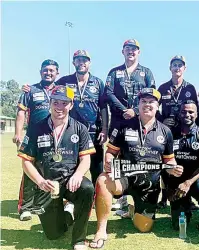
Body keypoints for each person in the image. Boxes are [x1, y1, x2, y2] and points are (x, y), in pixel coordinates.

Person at [90, 88, 183, 249]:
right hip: (124, 178)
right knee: (103, 179)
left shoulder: (165, 132)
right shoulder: (123, 126)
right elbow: (111, 152)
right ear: (138, 105)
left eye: (151, 101)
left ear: (157, 105)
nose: (147, 104)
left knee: (144, 227)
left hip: (149, 185)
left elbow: (169, 161)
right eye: (143, 101)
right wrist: (108, 161)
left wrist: (173, 168)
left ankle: (133, 211)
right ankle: (101, 230)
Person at [17, 85, 96, 250]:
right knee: (54, 234)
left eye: (64, 103)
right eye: (56, 103)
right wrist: (40, 181)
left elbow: (85, 159)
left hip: (70, 181)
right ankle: (66, 214)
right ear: (50, 103)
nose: (60, 107)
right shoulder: (36, 127)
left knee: (87, 188)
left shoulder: (80, 128)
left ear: (71, 105)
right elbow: (26, 162)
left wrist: (78, 175)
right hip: (47, 183)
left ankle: (79, 238)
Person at [104, 39, 156, 211]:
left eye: (134, 49)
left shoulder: (146, 72)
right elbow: (109, 93)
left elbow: (152, 95)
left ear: (139, 52)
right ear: (123, 51)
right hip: (118, 120)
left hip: (138, 120)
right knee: (116, 157)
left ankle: (138, 195)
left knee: (134, 155)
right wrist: (124, 109)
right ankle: (120, 198)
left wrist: (134, 110)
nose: (131, 52)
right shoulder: (114, 72)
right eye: (128, 49)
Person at [14, 59, 59, 221]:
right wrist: (18, 133)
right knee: (29, 170)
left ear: (57, 73)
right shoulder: (30, 90)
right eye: (45, 70)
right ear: (40, 72)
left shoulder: (61, 90)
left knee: (47, 168)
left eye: (52, 70)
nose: (48, 73)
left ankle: (38, 205)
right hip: (33, 136)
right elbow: (21, 113)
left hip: (53, 137)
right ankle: (25, 207)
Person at [55, 50, 108, 186]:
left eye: (84, 60)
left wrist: (105, 129)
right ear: (74, 62)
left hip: (93, 133)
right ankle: (72, 198)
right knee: (71, 166)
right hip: (71, 132)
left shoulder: (98, 83)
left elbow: (103, 107)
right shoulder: (65, 81)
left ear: (89, 63)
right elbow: (49, 89)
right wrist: (30, 88)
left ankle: (98, 197)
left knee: (96, 167)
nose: (81, 63)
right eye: (78, 60)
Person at [157, 55, 199, 209]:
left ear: (184, 68)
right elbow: (154, 108)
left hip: (185, 131)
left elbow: (196, 111)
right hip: (167, 132)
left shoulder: (190, 88)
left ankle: (187, 198)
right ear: (170, 68)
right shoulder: (162, 88)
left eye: (180, 65)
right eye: (174, 65)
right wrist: (162, 121)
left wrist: (197, 130)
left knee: (186, 163)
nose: (177, 68)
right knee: (165, 164)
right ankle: (164, 197)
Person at [165, 100, 199, 231]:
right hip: (176, 180)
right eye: (184, 111)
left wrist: (188, 182)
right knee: (178, 226)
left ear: (197, 114)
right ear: (179, 114)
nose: (187, 114)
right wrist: (169, 188)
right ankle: (185, 207)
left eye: (191, 112)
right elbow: (164, 161)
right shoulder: (170, 134)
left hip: (196, 178)